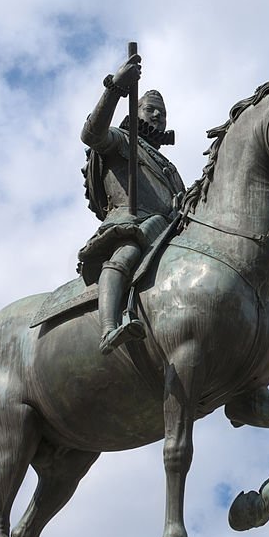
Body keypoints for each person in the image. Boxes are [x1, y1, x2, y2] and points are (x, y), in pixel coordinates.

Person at [77, 54, 185, 354]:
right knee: (127, 254)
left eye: (162, 113)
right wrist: (115, 89)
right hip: (131, 225)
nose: (157, 117)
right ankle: (109, 329)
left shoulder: (168, 165)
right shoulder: (123, 140)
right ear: (135, 110)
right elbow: (91, 134)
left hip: (167, 233)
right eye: (150, 109)